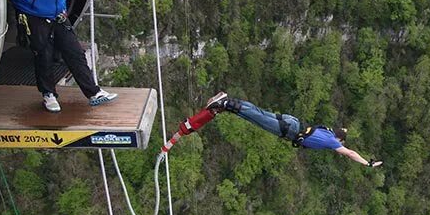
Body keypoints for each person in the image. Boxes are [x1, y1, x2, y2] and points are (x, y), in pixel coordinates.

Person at [161, 92, 383, 167]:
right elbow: (350, 153)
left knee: (258, 115)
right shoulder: (332, 141)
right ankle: (227, 103)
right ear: (339, 140)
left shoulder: (326, 132)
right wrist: (367, 163)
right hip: (289, 130)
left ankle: (228, 103)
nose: (340, 147)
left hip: (291, 123)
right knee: (256, 117)